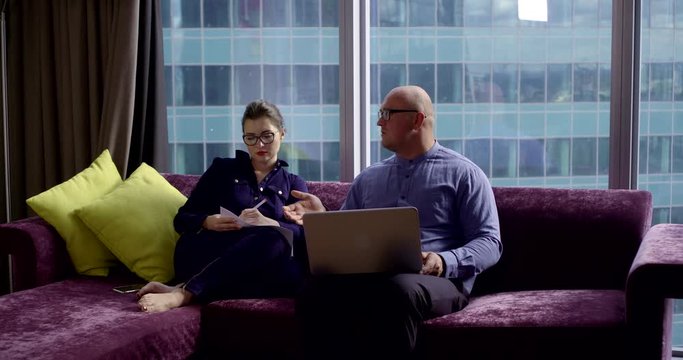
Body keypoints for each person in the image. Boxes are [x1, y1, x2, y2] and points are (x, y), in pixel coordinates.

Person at [283, 85, 502, 359]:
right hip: (373, 279)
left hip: (438, 282)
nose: (379, 121)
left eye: (387, 113)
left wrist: (444, 261)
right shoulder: (368, 178)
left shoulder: (465, 174)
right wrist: (323, 217)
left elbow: (490, 243)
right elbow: (345, 242)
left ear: (417, 119)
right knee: (314, 292)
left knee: (397, 291)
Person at [137, 99, 308, 313]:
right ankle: (185, 293)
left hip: (261, 258)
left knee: (285, 257)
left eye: (267, 136)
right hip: (210, 250)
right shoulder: (222, 169)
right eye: (251, 138)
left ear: (282, 133)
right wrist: (207, 221)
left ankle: (184, 289)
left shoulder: (294, 184)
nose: (259, 145)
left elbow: (305, 237)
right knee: (279, 262)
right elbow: (182, 218)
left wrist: (270, 223)